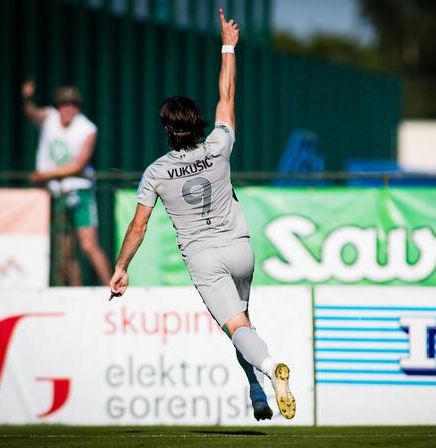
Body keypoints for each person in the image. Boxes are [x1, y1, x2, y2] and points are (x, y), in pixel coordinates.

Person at [109, 9, 296, 421]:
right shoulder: (218, 146)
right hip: (241, 249)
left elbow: (138, 226)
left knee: (239, 329)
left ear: (166, 129)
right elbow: (226, 96)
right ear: (196, 124)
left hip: (205, 259)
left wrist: (122, 267)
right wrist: (228, 45)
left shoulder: (156, 172)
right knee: (243, 324)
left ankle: (270, 370)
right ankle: (256, 392)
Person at [22, 80, 112, 286]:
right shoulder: (49, 118)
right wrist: (27, 98)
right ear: (58, 106)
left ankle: (112, 287)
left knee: (88, 244)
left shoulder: (87, 128)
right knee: (65, 249)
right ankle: (74, 293)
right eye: (64, 103)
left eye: (73, 104)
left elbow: (79, 165)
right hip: (56, 192)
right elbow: (31, 114)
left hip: (80, 191)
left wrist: (45, 175)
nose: (69, 108)